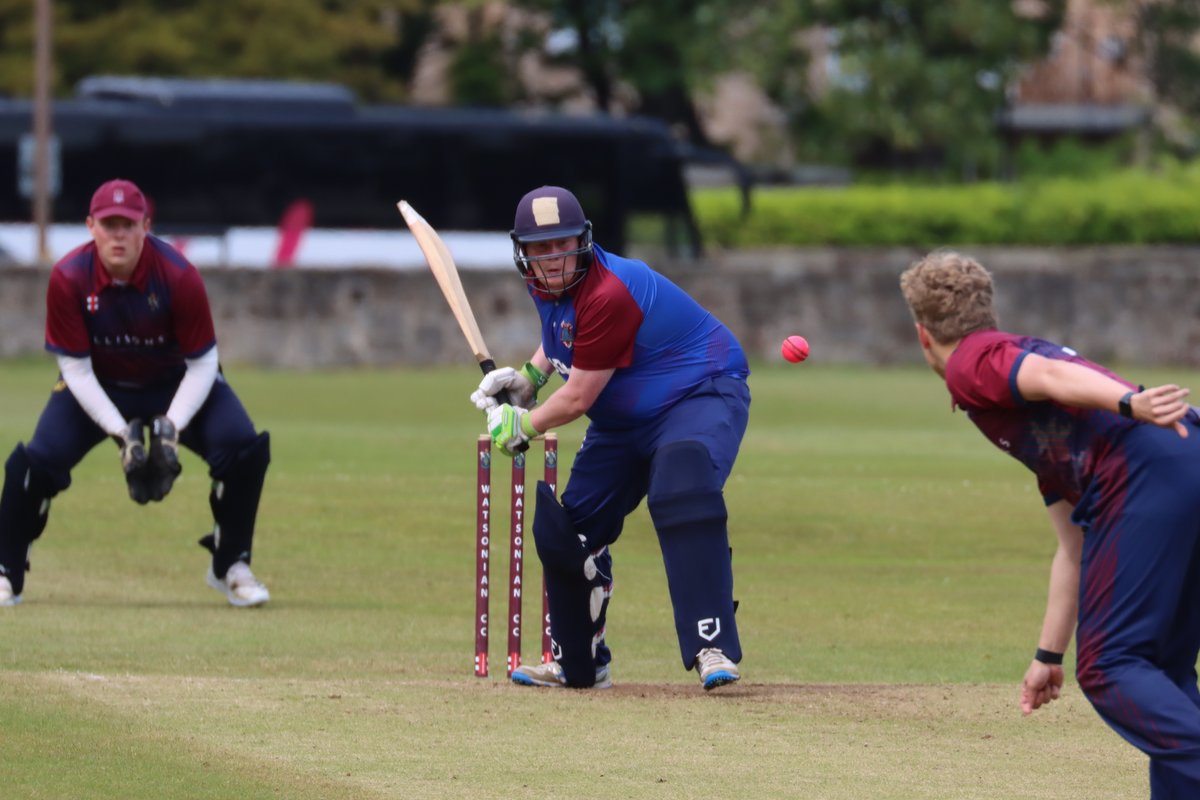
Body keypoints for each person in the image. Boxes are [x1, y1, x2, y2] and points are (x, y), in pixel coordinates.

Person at [900, 250, 1200, 797]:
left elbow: (1050, 374)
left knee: (1111, 665)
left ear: (923, 335)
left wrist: (1130, 402)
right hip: (1182, 462)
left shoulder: (973, 362)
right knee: (1160, 674)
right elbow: (1074, 546)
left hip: (1146, 470)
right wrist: (1047, 656)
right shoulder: (1035, 424)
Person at [470, 186, 750, 691]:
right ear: (524, 253)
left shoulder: (609, 290)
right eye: (540, 248)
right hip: (625, 420)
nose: (552, 259)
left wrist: (521, 424)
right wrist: (529, 382)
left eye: (562, 245)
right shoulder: (550, 286)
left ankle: (712, 644)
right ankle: (579, 662)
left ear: (583, 240)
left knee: (680, 485)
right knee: (567, 529)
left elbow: (577, 398)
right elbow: (563, 334)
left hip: (700, 392)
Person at [0, 179, 271, 608]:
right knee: (36, 462)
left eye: (128, 224)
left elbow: (203, 365)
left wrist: (170, 428)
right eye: (109, 224)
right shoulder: (69, 277)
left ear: (146, 225)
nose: (119, 235)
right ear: (91, 227)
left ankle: (230, 565)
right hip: (100, 386)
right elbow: (75, 369)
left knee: (243, 447)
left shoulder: (179, 276)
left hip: (176, 384)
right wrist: (122, 434)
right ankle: (6, 572)